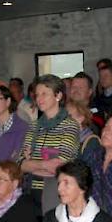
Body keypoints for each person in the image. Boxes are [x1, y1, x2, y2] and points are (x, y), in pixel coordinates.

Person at [19, 74, 80, 212]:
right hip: (30, 190)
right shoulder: (33, 126)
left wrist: (32, 164)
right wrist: (43, 164)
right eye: (37, 94)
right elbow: (20, 164)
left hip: (56, 192)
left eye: (44, 94)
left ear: (58, 95)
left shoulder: (70, 125)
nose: (39, 99)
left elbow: (59, 166)